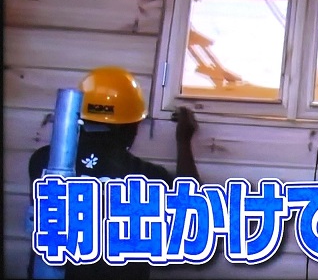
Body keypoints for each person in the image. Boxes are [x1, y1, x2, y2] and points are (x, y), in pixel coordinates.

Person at [27, 66, 200, 280]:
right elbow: (194, 212)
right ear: (132, 127)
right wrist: (183, 140)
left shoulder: (42, 161)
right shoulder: (148, 179)